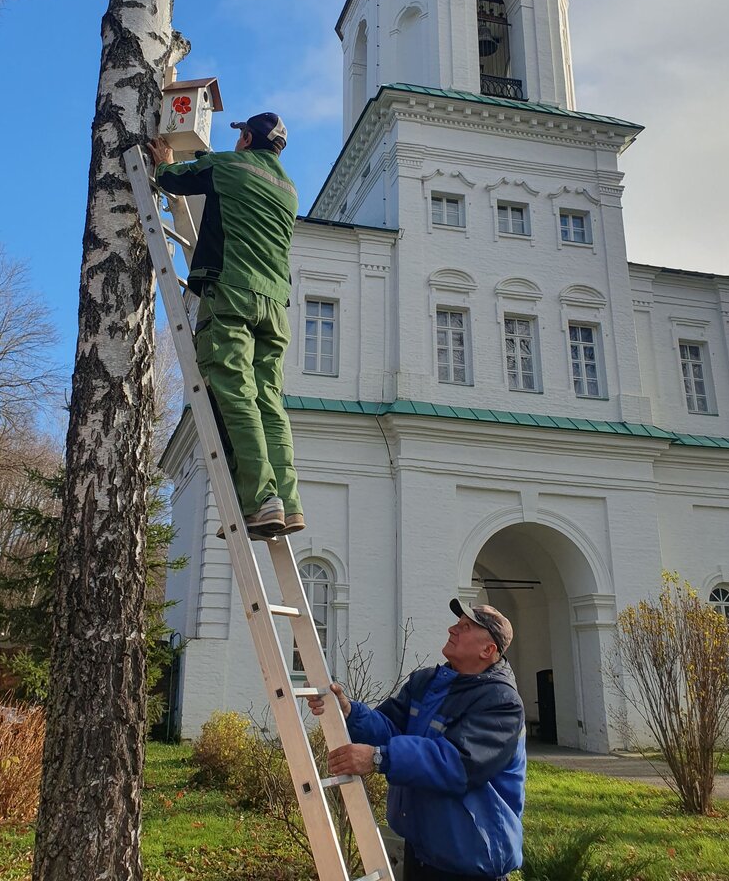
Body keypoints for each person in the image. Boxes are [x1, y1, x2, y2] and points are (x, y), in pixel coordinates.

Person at [148, 112, 304, 538]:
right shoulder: (288, 188)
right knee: (268, 402)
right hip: (274, 306)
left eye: (240, 136)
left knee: (235, 393)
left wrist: (163, 162)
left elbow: (177, 179)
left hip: (231, 293)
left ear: (248, 137)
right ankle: (287, 503)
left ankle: (259, 500)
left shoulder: (228, 165)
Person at [307, 599, 525, 881]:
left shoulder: (501, 703)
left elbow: (457, 763)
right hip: (422, 849)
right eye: (457, 623)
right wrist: (350, 711)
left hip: (470, 859)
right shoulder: (426, 683)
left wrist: (378, 757)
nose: (452, 629)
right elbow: (390, 728)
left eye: (466, 627)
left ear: (488, 650)